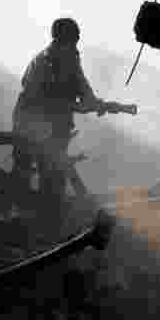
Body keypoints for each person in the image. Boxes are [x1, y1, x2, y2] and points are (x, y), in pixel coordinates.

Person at [10, 17, 107, 203]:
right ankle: (22, 216)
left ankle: (49, 214)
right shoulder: (44, 62)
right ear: (60, 40)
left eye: (75, 40)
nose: (75, 45)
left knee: (54, 176)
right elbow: (39, 98)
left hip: (55, 126)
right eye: (72, 40)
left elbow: (81, 84)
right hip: (31, 124)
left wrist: (96, 103)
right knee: (27, 172)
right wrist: (78, 106)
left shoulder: (69, 57)